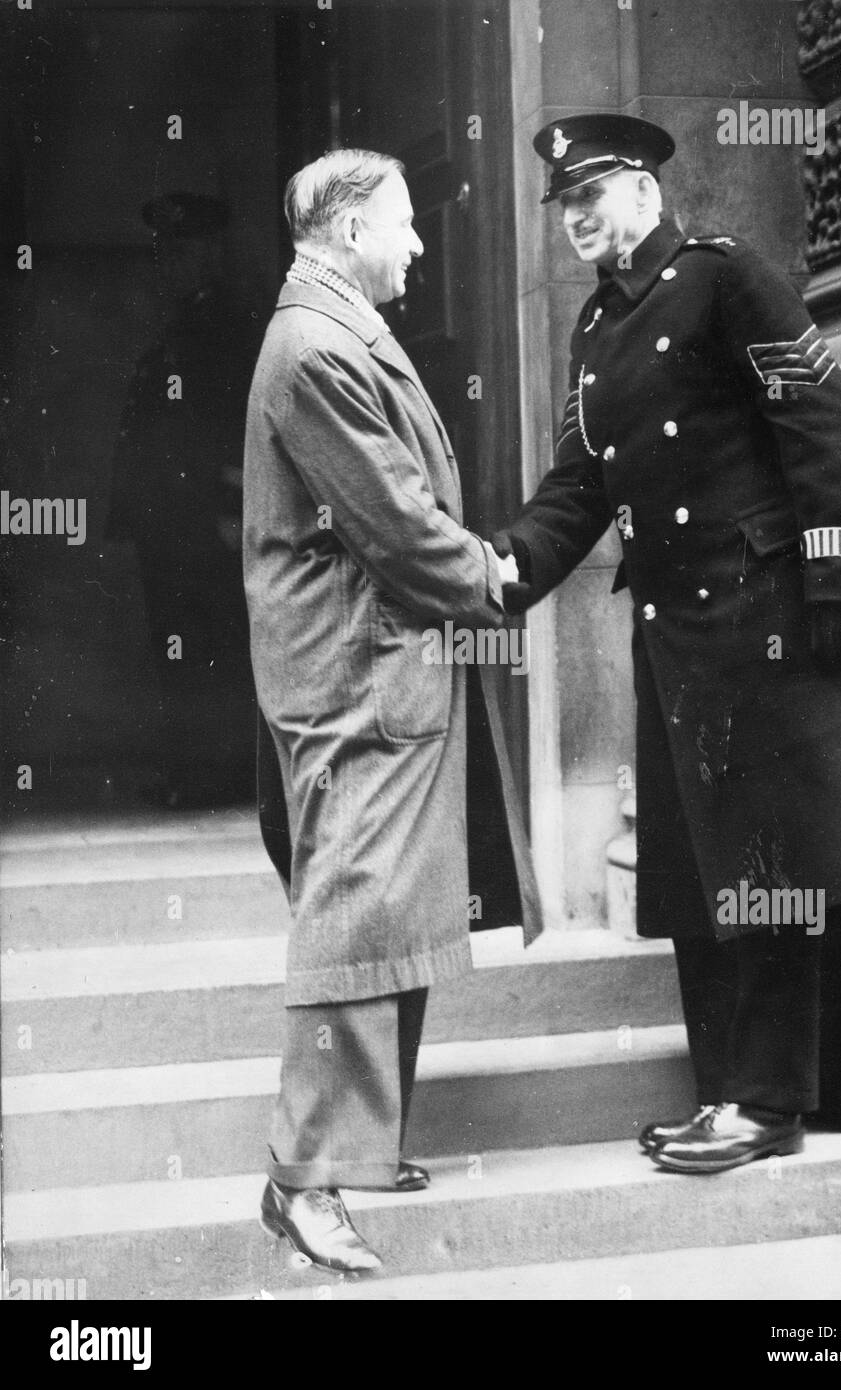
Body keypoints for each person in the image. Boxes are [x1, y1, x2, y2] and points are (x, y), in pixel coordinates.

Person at [492, 114, 841, 1175]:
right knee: (698, 874)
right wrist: (503, 568)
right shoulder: (594, 332)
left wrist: (837, 576)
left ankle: (772, 1103)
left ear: (645, 190)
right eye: (565, 207)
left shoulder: (724, 276)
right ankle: (720, 1095)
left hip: (764, 625)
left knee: (771, 868)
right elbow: (578, 486)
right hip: (674, 637)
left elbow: (820, 419)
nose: (578, 221)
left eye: (593, 196)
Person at [243, 149, 535, 1275]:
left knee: (388, 914)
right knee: (356, 917)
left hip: (378, 667)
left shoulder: (331, 329)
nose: (419, 246)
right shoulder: (318, 344)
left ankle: (347, 1154)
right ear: (352, 227)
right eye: (406, 226)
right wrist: (491, 577)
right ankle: (303, 1181)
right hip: (358, 678)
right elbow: (397, 524)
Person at [109, 192, 260, 807]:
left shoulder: (229, 330)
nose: (166, 264)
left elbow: (237, 428)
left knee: (209, 648)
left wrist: (231, 508)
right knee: (179, 645)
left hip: (205, 521)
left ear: (211, 255)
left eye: (181, 251)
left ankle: (214, 781)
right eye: (163, 252)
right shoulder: (183, 327)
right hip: (171, 522)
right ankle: (193, 776)